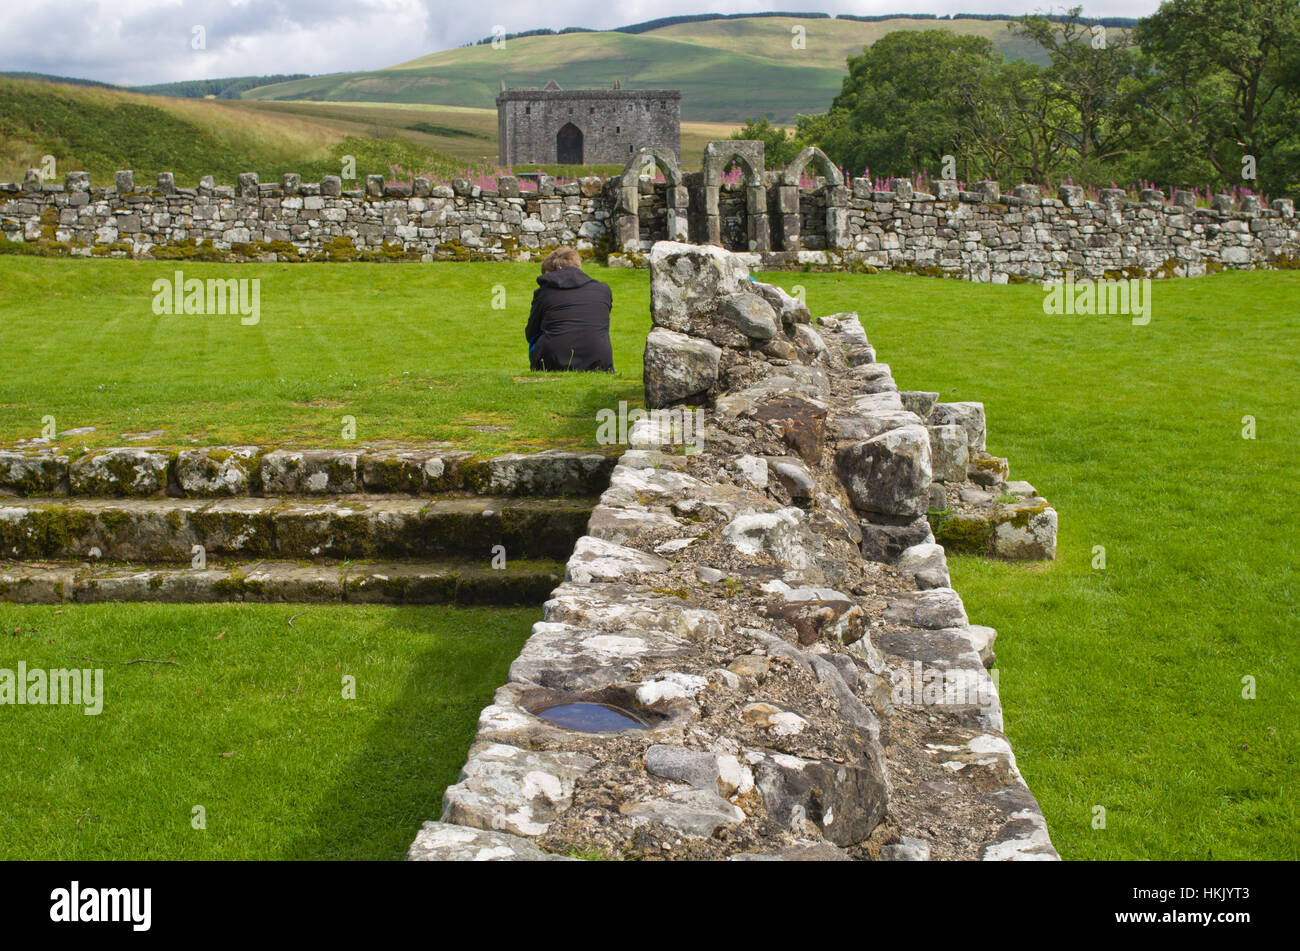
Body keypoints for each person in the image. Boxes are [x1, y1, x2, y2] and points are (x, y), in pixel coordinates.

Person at [525, 247, 614, 372]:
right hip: (600, 362)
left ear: (558, 269)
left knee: (537, 339)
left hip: (554, 363)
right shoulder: (604, 290)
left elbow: (531, 333)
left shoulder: (544, 293)